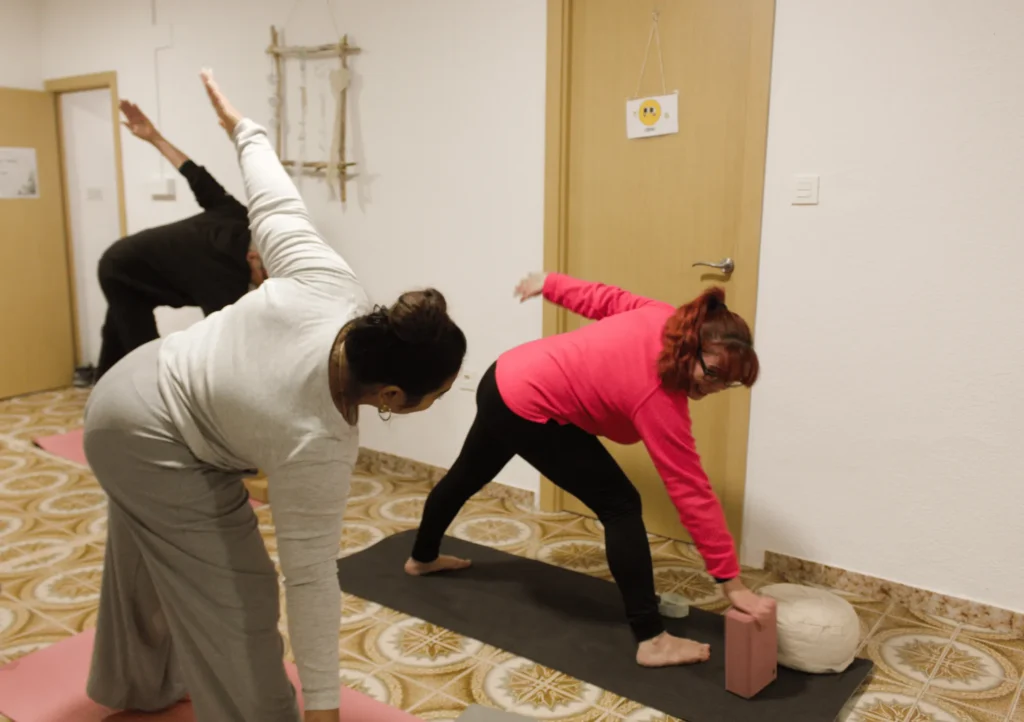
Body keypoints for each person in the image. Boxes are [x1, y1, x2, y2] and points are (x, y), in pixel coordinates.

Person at [82, 69, 467, 722]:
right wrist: (321, 709)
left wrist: (245, 128)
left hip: (140, 380)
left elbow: (275, 201)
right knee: (241, 597)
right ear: (393, 394)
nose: (434, 404)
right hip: (148, 432)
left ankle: (136, 685)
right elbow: (308, 581)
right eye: (435, 397)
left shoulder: (329, 282)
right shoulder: (321, 441)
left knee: (147, 558)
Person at [405, 272, 775, 667]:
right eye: (713, 374)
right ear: (693, 344)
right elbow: (692, 491)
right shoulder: (660, 396)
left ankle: (422, 558)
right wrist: (731, 584)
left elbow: (604, 298)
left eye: (728, 382)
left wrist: (549, 283)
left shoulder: (665, 318)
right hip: (527, 404)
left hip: (503, 378)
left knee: (467, 475)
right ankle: (651, 639)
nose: (715, 389)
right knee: (620, 504)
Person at [88, 100, 269, 383]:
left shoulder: (240, 217)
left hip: (133, 261)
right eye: (264, 277)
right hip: (122, 268)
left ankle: (97, 408)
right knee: (145, 361)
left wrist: (154, 138)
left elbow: (194, 174)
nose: (261, 285)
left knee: (115, 345)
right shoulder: (223, 276)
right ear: (252, 258)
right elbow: (222, 338)